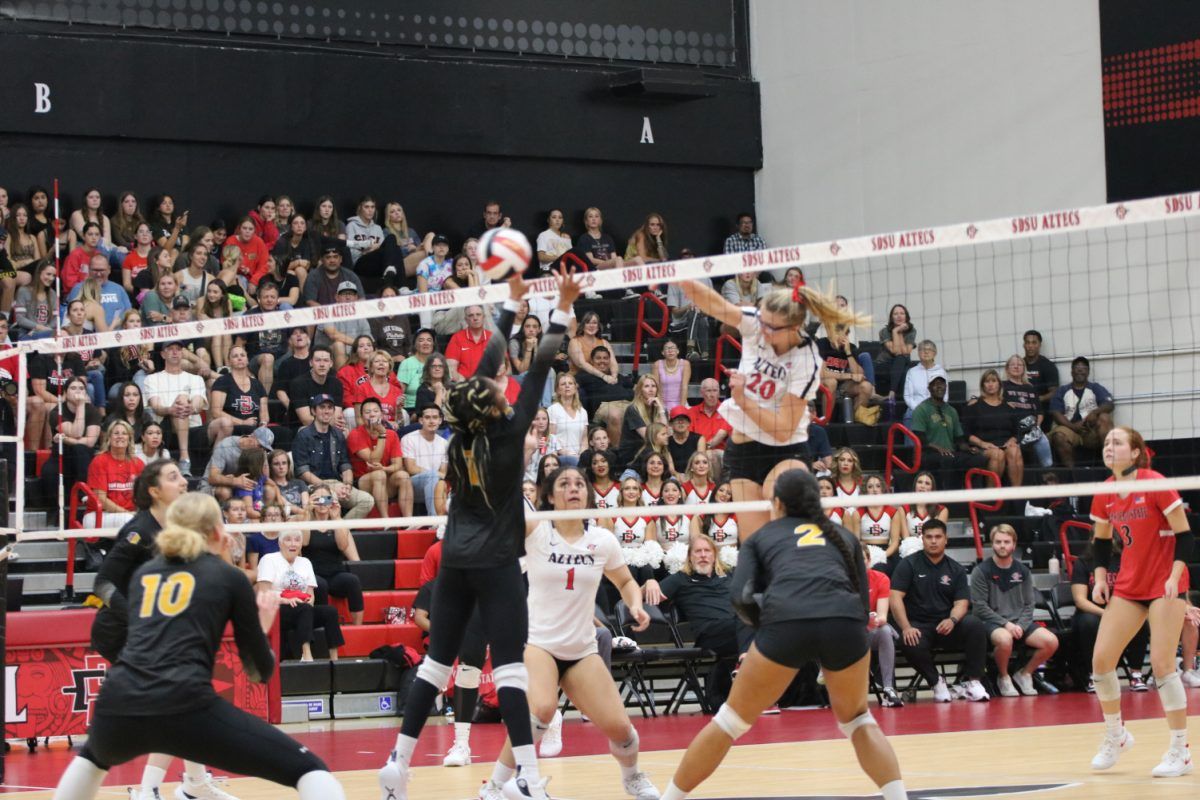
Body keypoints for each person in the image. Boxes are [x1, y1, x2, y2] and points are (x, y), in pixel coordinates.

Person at [378, 267, 579, 800]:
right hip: (493, 565)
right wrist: (561, 306)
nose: (501, 386)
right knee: (511, 671)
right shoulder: (511, 436)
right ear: (492, 404)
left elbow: (492, 361)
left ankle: (397, 765)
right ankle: (530, 781)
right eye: (496, 390)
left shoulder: (459, 437)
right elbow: (538, 368)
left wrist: (511, 307)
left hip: (455, 563)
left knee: (436, 665)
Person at [54, 491, 347, 800]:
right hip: (184, 702)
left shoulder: (144, 574)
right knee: (310, 770)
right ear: (219, 531)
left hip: (117, 700)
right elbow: (259, 671)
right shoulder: (227, 577)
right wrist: (264, 622)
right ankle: (182, 785)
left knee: (91, 760)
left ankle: (189, 785)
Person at [659, 470, 907, 800]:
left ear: (776, 503)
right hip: (844, 623)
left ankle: (670, 799)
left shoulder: (763, 535)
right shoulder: (842, 536)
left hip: (787, 621)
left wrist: (770, 627)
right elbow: (862, 600)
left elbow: (740, 597)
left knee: (730, 721)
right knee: (858, 719)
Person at [478, 465, 659, 800]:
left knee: (623, 731)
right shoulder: (537, 531)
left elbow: (625, 582)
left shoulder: (602, 540)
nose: (573, 488)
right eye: (564, 483)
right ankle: (492, 787)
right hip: (539, 644)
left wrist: (635, 604)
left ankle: (632, 777)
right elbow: (507, 502)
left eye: (579, 483)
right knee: (542, 709)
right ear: (549, 496)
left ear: (589, 494)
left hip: (581, 650)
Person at [87, 465, 255, 800]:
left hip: (159, 633)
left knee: (185, 699)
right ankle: (152, 788)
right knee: (176, 701)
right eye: (174, 477)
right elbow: (102, 585)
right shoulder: (138, 531)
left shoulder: (182, 528)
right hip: (122, 633)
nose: (184, 482)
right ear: (153, 490)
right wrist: (137, 618)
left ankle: (193, 784)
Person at [678, 276, 866, 539]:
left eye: (772, 327)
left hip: (786, 449)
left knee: (778, 505)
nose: (763, 330)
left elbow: (781, 430)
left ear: (794, 327)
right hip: (743, 450)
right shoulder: (759, 323)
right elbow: (718, 306)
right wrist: (681, 278)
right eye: (762, 321)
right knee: (756, 543)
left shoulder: (806, 359)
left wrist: (743, 399)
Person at [1086, 427, 1193, 777]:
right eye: (1105, 443)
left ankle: (1181, 750)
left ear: (1135, 452)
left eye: (1116, 442)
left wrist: (1175, 579)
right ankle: (1116, 735)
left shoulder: (1154, 482)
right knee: (1101, 662)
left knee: (1162, 665)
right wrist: (1101, 578)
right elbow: (1100, 542)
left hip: (1165, 582)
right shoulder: (1105, 492)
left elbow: (1186, 537)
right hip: (1130, 586)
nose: (1108, 447)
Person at [889, 519, 990, 702]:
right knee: (908, 640)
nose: (933, 541)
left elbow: (962, 603)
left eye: (938, 537)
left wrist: (952, 620)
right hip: (918, 626)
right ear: (922, 539)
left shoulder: (956, 569)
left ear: (946, 539)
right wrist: (906, 627)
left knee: (974, 624)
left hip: (946, 625)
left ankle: (973, 682)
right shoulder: (908, 565)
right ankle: (936, 682)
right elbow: (895, 597)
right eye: (929, 537)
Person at [970, 524, 1059, 697]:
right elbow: (980, 606)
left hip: (1019, 622)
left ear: (1014, 544)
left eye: (1006, 542)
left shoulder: (1023, 571)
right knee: (1004, 639)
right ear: (992, 544)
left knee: (1051, 641)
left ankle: (1024, 674)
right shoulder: (981, 571)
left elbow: (1029, 604)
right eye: (998, 542)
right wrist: (1007, 625)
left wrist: (1021, 625)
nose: (1002, 546)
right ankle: (1003, 677)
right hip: (991, 623)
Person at [257, 527, 346, 661]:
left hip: (301, 609)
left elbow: (310, 594)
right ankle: (306, 654)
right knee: (304, 609)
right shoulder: (269, 559)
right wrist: (286, 600)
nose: (293, 544)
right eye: (288, 540)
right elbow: (263, 593)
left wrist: (308, 601)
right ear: (280, 543)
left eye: (297, 540)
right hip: (277, 609)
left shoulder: (305, 562)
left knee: (330, 611)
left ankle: (334, 659)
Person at [293, 394, 374, 519]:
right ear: (313, 411)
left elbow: (345, 464)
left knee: (367, 500)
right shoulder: (303, 435)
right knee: (331, 499)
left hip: (337, 483)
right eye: (322, 407)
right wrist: (329, 488)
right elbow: (302, 471)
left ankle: (340, 530)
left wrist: (347, 485)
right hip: (312, 487)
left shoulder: (338, 434)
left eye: (330, 407)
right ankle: (335, 533)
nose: (326, 411)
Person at [301, 483, 364, 626]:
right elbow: (304, 542)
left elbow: (343, 546)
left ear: (332, 501)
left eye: (326, 499)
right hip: (313, 574)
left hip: (335, 574)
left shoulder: (338, 522)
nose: (322, 503)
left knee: (352, 581)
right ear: (312, 501)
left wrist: (336, 519)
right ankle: (324, 625)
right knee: (320, 584)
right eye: (318, 499)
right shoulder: (306, 521)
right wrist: (306, 512)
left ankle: (358, 627)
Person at [910, 376, 986, 491]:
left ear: (946, 387)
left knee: (979, 459)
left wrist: (969, 449)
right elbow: (919, 438)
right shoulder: (921, 409)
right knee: (947, 460)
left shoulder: (952, 410)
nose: (939, 386)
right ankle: (947, 500)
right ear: (929, 388)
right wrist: (937, 447)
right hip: (928, 454)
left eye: (942, 384)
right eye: (935, 384)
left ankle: (975, 499)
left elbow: (959, 439)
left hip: (950, 453)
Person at [143, 340, 207, 475]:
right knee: (181, 401)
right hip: (166, 429)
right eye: (170, 349)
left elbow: (199, 402)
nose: (174, 352)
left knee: (224, 424)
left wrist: (192, 408)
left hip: (194, 430)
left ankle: (210, 469)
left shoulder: (195, 379)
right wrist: (170, 409)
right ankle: (184, 458)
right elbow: (156, 406)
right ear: (162, 354)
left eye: (178, 349)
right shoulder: (152, 379)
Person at [348, 396, 412, 517]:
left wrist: (384, 469)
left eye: (375, 411)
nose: (372, 415)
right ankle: (385, 520)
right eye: (367, 412)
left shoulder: (392, 435)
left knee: (403, 475)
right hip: (363, 482)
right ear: (361, 417)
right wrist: (382, 434)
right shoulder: (355, 434)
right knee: (378, 475)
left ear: (382, 415)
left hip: (385, 480)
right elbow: (373, 460)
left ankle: (408, 520)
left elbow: (398, 465)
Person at [1049, 356, 1115, 467]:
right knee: (1058, 435)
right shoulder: (1063, 390)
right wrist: (1073, 426)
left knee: (1104, 418)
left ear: (1088, 372)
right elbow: (1056, 413)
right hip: (1070, 429)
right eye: (1077, 368)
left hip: (1091, 431)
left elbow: (1109, 404)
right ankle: (1073, 475)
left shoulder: (1095, 387)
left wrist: (1094, 413)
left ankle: (1110, 467)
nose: (1080, 370)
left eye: (1083, 368)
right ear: (1072, 371)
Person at [963, 369, 1024, 487]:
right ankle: (992, 497)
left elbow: (1018, 431)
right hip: (984, 447)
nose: (990, 384)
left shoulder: (1009, 406)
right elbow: (966, 433)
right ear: (982, 385)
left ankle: (1017, 496)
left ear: (999, 384)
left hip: (1005, 444)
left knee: (1015, 451)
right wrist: (982, 443)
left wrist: (1013, 440)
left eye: (993, 381)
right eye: (987, 381)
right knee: (997, 454)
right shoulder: (974, 406)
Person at [863, 546, 903, 707]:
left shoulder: (881, 579)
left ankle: (888, 688)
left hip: (869, 630)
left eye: (862, 559)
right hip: (847, 635)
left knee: (885, 631)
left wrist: (873, 619)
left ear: (869, 561)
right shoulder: (841, 580)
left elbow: (882, 616)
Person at [1002, 354, 1053, 468]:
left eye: (1020, 364)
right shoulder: (1002, 386)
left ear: (1024, 369)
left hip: (1030, 429)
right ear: (1007, 368)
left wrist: (1036, 426)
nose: (1016, 367)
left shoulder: (1030, 387)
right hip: (1012, 428)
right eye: (1013, 364)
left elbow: (1039, 413)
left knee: (1043, 441)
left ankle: (1049, 474)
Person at [401, 404, 449, 514]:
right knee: (434, 477)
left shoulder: (444, 443)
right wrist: (434, 474)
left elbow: (443, 472)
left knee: (442, 483)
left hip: (435, 485)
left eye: (435, 417)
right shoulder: (409, 439)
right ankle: (434, 522)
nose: (431, 421)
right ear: (421, 420)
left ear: (440, 420)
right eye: (427, 418)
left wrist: (436, 475)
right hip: (412, 487)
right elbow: (411, 468)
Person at [874, 304, 915, 401]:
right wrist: (895, 331)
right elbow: (896, 352)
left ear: (906, 316)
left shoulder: (912, 331)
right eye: (896, 314)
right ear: (891, 318)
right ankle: (893, 393)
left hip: (901, 363)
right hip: (884, 365)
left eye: (902, 313)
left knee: (902, 360)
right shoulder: (884, 331)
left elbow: (906, 352)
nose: (899, 316)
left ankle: (892, 393)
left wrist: (900, 332)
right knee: (901, 360)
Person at [900, 341, 945, 425]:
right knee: (909, 415)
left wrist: (935, 409)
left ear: (935, 353)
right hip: (915, 409)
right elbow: (907, 396)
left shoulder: (941, 372)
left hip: (936, 408)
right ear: (918, 353)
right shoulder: (912, 372)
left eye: (929, 349)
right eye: (922, 349)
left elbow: (945, 396)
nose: (926, 352)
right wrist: (919, 410)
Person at [1021, 330, 1060, 416]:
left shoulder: (1048, 366)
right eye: (1028, 343)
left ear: (1039, 345)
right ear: (1024, 345)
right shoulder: (1019, 365)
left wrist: (1037, 399)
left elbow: (1055, 392)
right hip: (1021, 409)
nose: (1030, 346)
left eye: (1034, 343)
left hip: (1042, 411)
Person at [653, 340, 691, 410]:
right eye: (667, 348)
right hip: (662, 403)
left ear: (677, 351)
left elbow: (684, 386)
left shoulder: (685, 364)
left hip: (681, 402)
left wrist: (681, 408)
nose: (670, 350)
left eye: (673, 348)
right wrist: (661, 407)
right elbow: (657, 386)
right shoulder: (657, 364)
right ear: (663, 352)